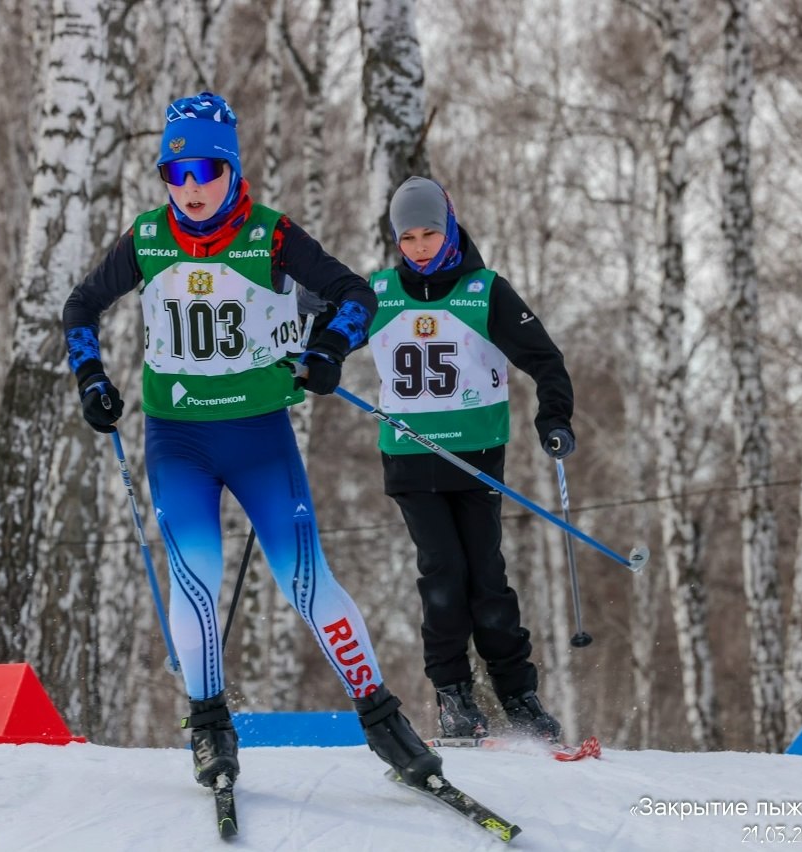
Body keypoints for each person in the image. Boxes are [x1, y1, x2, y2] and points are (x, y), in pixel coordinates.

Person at [62, 92, 441, 791]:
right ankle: (209, 729)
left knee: (305, 580)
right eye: (175, 175)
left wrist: (329, 349)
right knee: (197, 579)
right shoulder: (146, 238)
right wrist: (91, 377)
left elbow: (359, 295)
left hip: (259, 434)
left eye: (205, 170)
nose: (191, 188)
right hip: (178, 440)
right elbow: (80, 305)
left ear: (231, 170)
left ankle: (383, 721)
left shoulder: (270, 235)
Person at [362, 176, 575, 742]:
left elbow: (545, 359)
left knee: (487, 576)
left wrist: (554, 419)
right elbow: (321, 328)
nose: (421, 246)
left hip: (476, 457)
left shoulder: (484, 291)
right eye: (408, 237)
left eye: (431, 232)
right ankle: (455, 697)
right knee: (443, 574)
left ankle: (518, 696)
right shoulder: (378, 293)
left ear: (450, 229)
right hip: (410, 458)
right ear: (396, 241)